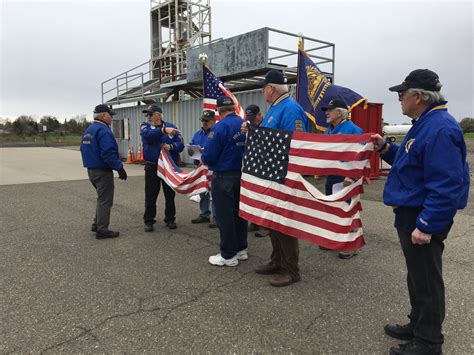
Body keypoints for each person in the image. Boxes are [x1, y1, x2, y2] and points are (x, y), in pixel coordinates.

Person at [371, 69, 469, 355]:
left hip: (421, 215)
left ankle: (428, 342)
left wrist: (426, 224)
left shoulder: (440, 128)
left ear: (419, 96)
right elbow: (410, 161)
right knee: (417, 276)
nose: (399, 99)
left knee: (427, 280)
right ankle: (418, 324)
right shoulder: (425, 123)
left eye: (402, 94)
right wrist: (385, 147)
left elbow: (446, 183)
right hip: (411, 212)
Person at [254, 69, 309, 287]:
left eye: (263, 87)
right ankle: (276, 261)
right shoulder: (274, 108)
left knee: (284, 223)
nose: (262, 91)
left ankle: (291, 270)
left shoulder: (291, 109)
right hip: (271, 174)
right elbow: (270, 137)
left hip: (284, 174)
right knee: (273, 221)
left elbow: (296, 143)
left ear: (271, 88)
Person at [202, 95, 248, 267]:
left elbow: (209, 155)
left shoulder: (220, 127)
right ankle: (241, 249)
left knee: (225, 216)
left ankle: (228, 255)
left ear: (219, 111)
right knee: (240, 213)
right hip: (242, 174)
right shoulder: (244, 125)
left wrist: (205, 156)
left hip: (224, 176)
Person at [321, 98, 363, 259]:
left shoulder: (353, 130)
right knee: (333, 207)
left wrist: (350, 175)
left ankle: (351, 244)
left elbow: (358, 154)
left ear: (339, 112)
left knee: (348, 208)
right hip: (332, 174)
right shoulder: (328, 130)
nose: (327, 112)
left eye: (330, 110)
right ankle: (336, 239)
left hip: (345, 175)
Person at [80, 104, 127, 239]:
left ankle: (96, 224)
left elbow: (84, 149)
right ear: (103, 116)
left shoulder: (90, 129)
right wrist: (119, 168)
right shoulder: (104, 130)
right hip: (102, 171)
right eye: (110, 115)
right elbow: (108, 153)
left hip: (91, 170)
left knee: (101, 199)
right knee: (106, 200)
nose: (111, 118)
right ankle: (102, 230)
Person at [140, 105, 184, 232]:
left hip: (168, 166)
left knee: (170, 194)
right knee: (150, 195)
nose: (147, 116)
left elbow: (180, 144)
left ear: (158, 115)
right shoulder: (145, 126)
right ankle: (149, 221)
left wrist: (172, 147)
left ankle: (170, 218)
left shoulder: (172, 126)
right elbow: (147, 136)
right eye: (147, 114)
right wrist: (163, 131)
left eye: (150, 114)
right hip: (152, 165)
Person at [241, 104, 270, 238]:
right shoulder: (248, 126)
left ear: (260, 115)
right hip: (252, 164)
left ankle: (265, 225)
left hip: (265, 165)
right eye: (249, 119)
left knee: (265, 196)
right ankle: (254, 221)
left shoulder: (268, 124)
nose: (252, 121)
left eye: (254, 118)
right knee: (253, 194)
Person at [188, 110, 216, 228]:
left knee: (215, 192)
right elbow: (191, 144)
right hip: (200, 166)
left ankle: (216, 218)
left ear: (213, 121)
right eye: (203, 120)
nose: (204, 122)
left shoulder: (216, 132)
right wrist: (190, 151)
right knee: (203, 191)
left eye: (207, 120)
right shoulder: (197, 134)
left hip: (213, 166)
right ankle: (204, 214)